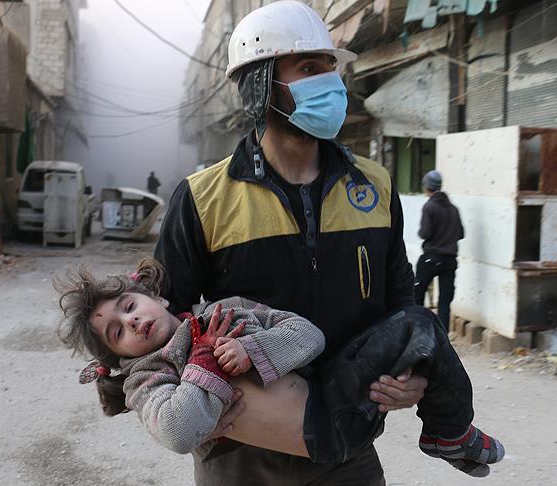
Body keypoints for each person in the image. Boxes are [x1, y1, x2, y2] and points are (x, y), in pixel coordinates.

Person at [156, 2, 435, 483]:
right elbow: (162, 322)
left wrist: (416, 372)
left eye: (331, 68)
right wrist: (176, 409)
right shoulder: (202, 198)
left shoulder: (374, 186)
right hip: (240, 449)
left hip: (348, 446)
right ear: (260, 85)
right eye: (308, 68)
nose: (331, 83)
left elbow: (402, 302)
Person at [56, 259, 504, 476]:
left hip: (340, 401)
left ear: (155, 296)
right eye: (117, 332)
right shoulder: (146, 377)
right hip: (315, 438)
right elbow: (176, 430)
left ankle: (448, 431)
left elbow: (309, 336)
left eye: (129, 306)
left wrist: (252, 351)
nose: (132, 321)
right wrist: (206, 362)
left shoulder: (223, 311)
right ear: (119, 358)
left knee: (420, 323)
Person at [413, 170, 465, 333]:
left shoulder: (429, 206)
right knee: (444, 300)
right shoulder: (453, 209)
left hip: (431, 258)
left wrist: (421, 232)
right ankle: (443, 335)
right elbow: (461, 233)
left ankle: (419, 330)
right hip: (450, 260)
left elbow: (425, 233)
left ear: (427, 187)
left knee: (416, 294)